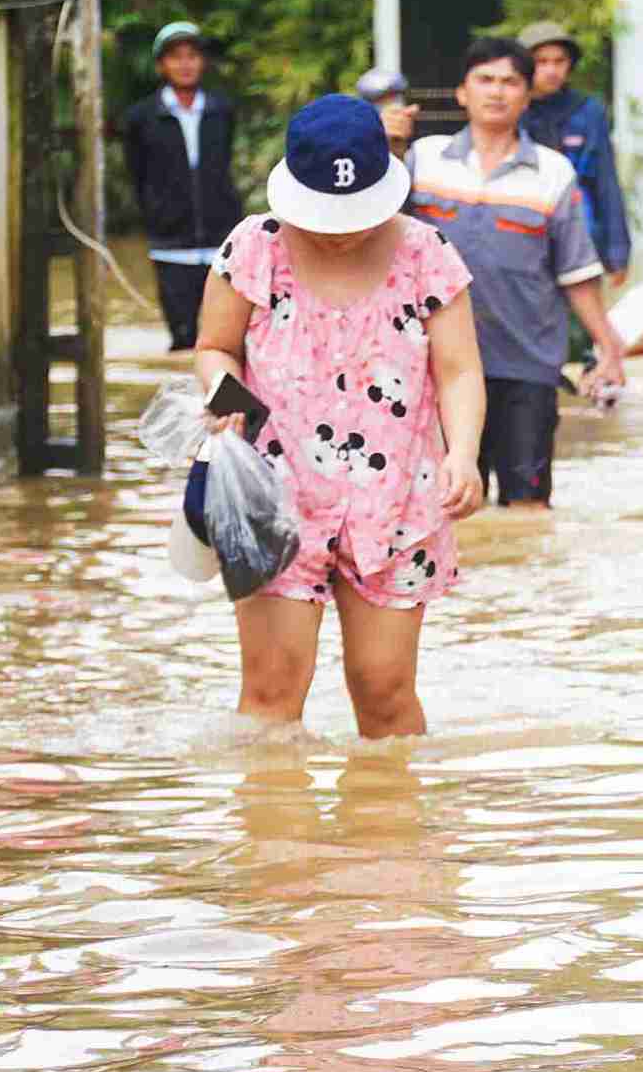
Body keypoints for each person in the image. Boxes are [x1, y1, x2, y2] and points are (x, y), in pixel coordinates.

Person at [194, 94, 487, 738]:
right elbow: (215, 347)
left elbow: (459, 369)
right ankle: (275, 836)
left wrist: (463, 453)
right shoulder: (255, 248)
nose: (342, 228)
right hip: (273, 497)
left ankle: (388, 833)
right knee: (271, 698)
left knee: (384, 693)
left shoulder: (426, 254)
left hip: (398, 504)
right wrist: (227, 402)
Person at [407, 38, 627, 509]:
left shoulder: (552, 173)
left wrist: (608, 344)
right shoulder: (422, 161)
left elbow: (576, 271)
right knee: (443, 506)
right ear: (462, 92)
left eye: (510, 82)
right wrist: (385, 143)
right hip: (435, 366)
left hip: (526, 365)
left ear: (527, 97)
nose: (496, 92)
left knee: (529, 511)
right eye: (484, 80)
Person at [122, 21, 246, 351]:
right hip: (171, 244)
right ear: (162, 65)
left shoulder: (221, 110)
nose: (185, 64)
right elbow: (137, 174)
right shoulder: (142, 117)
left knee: (227, 337)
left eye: (192, 55)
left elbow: (223, 165)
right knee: (183, 340)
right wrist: (156, 213)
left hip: (222, 241)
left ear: (202, 61)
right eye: (176, 57)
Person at [518, 21, 632, 288]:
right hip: (521, 234)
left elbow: (606, 182)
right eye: (541, 61)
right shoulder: (510, 108)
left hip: (581, 234)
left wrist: (617, 252)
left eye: (559, 61)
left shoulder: (588, 111)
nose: (551, 70)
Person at [357, 67, 418, 160]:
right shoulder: (356, 150)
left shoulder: (421, 153)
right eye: (385, 101)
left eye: (400, 99)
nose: (397, 107)